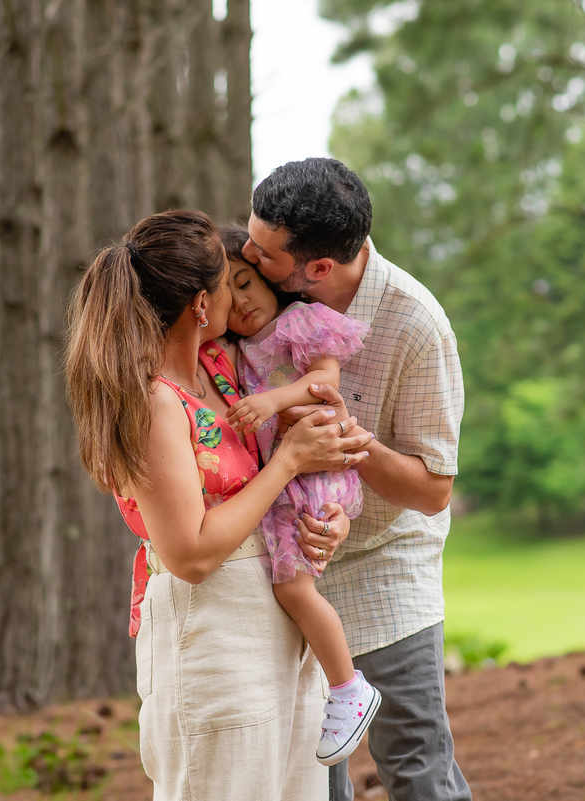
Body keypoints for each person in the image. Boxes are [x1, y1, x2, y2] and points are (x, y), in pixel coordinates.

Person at [64, 209, 373, 800]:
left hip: (277, 624)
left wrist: (325, 518)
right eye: (226, 283)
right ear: (200, 306)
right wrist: (289, 463)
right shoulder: (154, 402)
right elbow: (191, 554)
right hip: (214, 636)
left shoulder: (221, 371)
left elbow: (279, 465)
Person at [241, 158, 470, 801]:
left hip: (384, 559)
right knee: (313, 776)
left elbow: (431, 492)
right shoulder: (265, 292)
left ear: (318, 268)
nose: (246, 255)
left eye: (263, 251)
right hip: (288, 562)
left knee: (415, 763)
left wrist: (345, 441)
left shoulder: (416, 325)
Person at [217, 224, 382, 766]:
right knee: (290, 588)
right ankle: (332, 687)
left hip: (314, 473)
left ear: (270, 279)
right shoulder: (237, 352)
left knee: (293, 589)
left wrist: (272, 403)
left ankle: (348, 688)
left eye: (246, 281)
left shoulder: (299, 321)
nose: (240, 301)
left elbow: (325, 382)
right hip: (289, 477)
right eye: (225, 292)